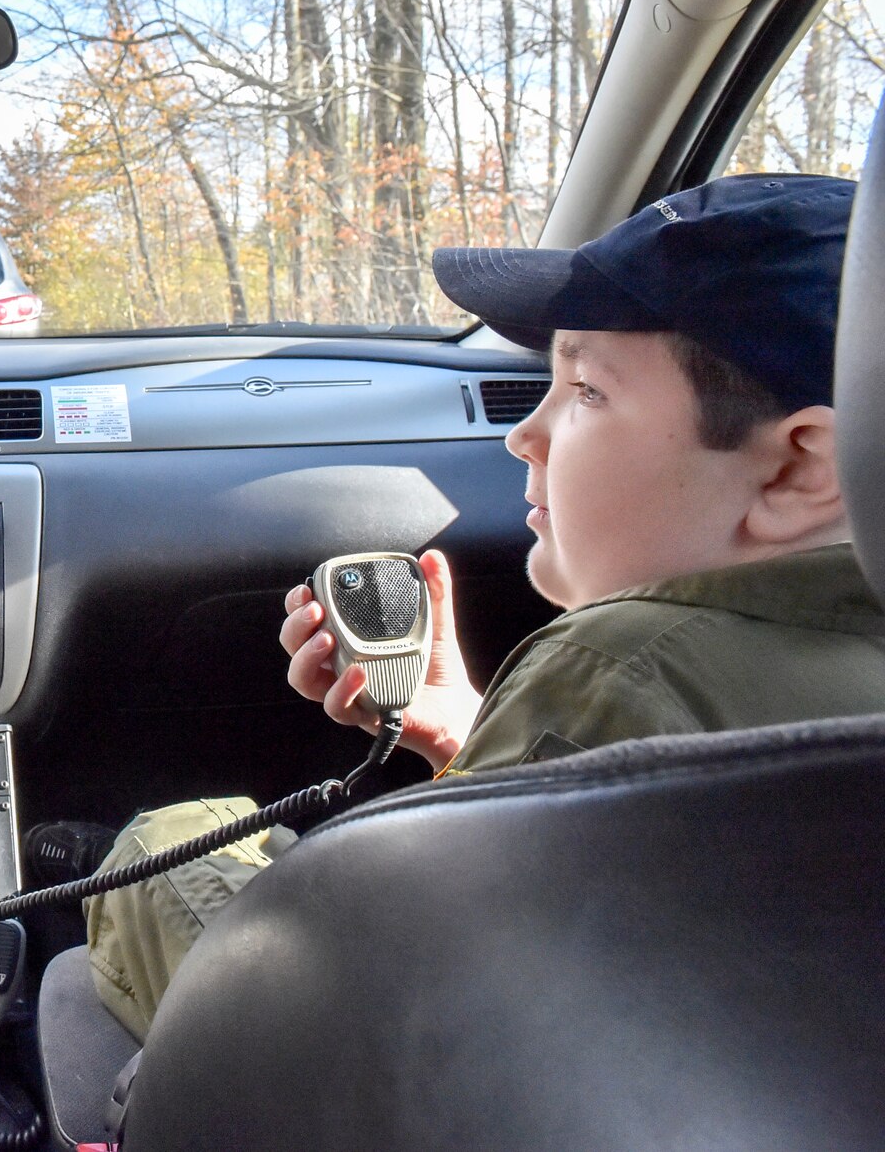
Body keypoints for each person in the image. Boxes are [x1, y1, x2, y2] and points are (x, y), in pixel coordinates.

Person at [62, 173, 885, 1041]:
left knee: (168, 845)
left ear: (799, 471)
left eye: (586, 392)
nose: (521, 433)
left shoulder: (612, 668)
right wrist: (470, 740)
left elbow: (421, 1034)